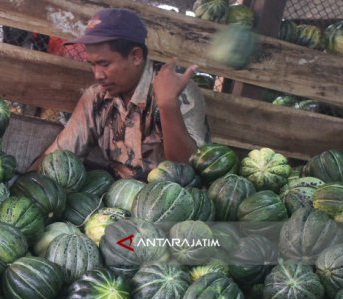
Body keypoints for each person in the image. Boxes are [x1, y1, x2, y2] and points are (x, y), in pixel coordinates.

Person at [29, 8, 209, 180]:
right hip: (116, 199)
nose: (97, 75)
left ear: (136, 56)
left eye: (104, 64)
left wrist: (167, 104)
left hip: (168, 202)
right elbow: (59, 155)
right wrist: (23, 185)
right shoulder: (97, 97)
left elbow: (190, 171)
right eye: (92, 64)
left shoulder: (178, 91)